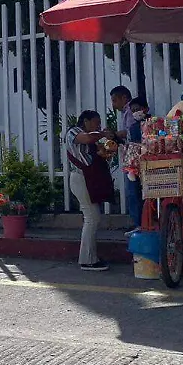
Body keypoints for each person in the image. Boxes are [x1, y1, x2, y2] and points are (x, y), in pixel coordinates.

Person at [65, 111, 114, 271]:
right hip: (80, 178)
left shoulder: (92, 138)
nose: (97, 126)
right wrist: (102, 134)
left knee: (93, 217)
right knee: (92, 218)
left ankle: (90, 257)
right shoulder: (74, 131)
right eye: (95, 122)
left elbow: (97, 151)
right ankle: (87, 259)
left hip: (88, 178)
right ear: (85, 121)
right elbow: (86, 139)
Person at [123, 96, 149, 232]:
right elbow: (132, 147)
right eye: (133, 111)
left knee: (149, 194)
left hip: (150, 164)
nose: (135, 113)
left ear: (146, 109)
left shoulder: (155, 124)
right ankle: (138, 223)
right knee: (133, 193)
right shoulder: (133, 127)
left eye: (138, 110)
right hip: (134, 166)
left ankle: (150, 222)